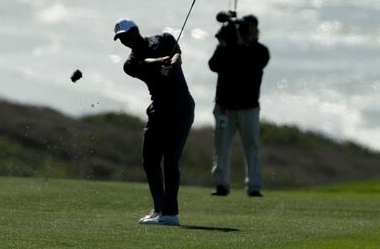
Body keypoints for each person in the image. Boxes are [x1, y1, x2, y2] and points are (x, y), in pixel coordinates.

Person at [114, 18, 195, 227]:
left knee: (170, 161)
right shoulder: (130, 64)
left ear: (136, 31)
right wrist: (162, 61)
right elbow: (145, 64)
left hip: (181, 107)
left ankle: (170, 213)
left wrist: (175, 60)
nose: (124, 41)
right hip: (158, 109)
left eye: (126, 35)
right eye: (120, 39)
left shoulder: (164, 38)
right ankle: (159, 209)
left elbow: (177, 53)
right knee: (149, 160)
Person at [208, 14, 269, 197]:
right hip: (225, 106)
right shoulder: (227, 48)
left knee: (252, 146)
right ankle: (221, 184)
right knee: (221, 146)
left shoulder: (259, 51)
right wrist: (225, 44)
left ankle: (254, 185)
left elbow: (248, 62)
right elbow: (213, 65)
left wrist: (236, 43)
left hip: (248, 107)